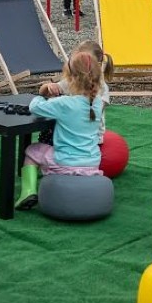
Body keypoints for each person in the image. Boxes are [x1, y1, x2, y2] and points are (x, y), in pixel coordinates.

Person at [15, 51, 104, 210]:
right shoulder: (97, 103)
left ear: (71, 77)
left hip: (65, 161)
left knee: (32, 150)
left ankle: (27, 192)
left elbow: (35, 107)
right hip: (92, 162)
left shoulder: (64, 103)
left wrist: (40, 96)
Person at [37, 40, 114, 146]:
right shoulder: (72, 81)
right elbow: (42, 93)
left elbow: (92, 112)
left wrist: (65, 104)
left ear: (97, 65)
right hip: (71, 131)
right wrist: (48, 86)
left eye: (85, 64)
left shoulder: (101, 88)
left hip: (89, 136)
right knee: (48, 132)